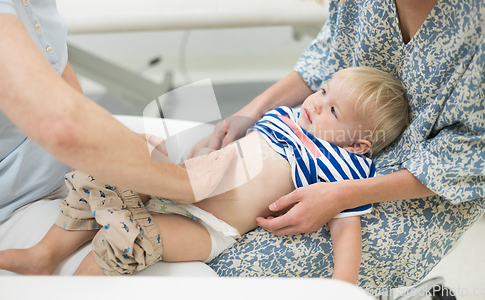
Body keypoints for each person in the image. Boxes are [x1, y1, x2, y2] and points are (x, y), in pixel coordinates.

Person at [197, 0, 485, 292]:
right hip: (331, 139)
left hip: (437, 185)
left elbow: (476, 152)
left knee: (226, 273)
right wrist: (252, 110)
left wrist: (344, 195)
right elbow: (330, 53)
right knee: (198, 248)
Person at [0, 67, 410, 283]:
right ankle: (44, 254)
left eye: (334, 111)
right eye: (323, 92)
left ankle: (70, 292)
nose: (317, 105)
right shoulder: (284, 117)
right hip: (180, 183)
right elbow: (224, 152)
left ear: (359, 144)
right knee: (105, 171)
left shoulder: (342, 164)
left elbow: (346, 227)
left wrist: (342, 285)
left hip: (207, 225)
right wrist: (192, 153)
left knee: (125, 238)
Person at [0, 0, 229, 260]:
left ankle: (46, 254)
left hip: (61, 167)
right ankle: (43, 255)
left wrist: (126, 149)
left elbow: (55, 67)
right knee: (159, 264)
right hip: (16, 199)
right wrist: (187, 186)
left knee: (157, 150)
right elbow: (62, 127)